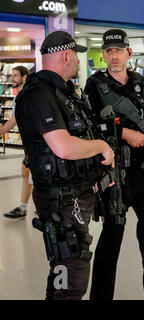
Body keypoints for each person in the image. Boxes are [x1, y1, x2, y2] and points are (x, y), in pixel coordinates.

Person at [14, 31, 115, 300]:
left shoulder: (61, 93)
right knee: (68, 278)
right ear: (67, 55)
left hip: (73, 195)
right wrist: (102, 148)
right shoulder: (39, 95)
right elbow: (63, 146)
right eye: (77, 57)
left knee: (72, 272)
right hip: (61, 200)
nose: (78, 63)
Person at [84, 29, 144, 300]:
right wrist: (124, 134)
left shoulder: (141, 83)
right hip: (113, 176)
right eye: (109, 51)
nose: (114, 56)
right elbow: (87, 126)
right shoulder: (94, 85)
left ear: (128, 52)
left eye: (118, 50)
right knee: (110, 244)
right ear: (104, 54)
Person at [1, 66, 32, 218]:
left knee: (32, 173)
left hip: (35, 143)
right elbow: (14, 120)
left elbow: (13, 121)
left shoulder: (27, 95)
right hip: (30, 142)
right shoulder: (19, 95)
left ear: (24, 77)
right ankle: (23, 207)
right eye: (11, 75)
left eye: (15, 76)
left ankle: (32, 207)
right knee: (27, 172)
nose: (12, 78)